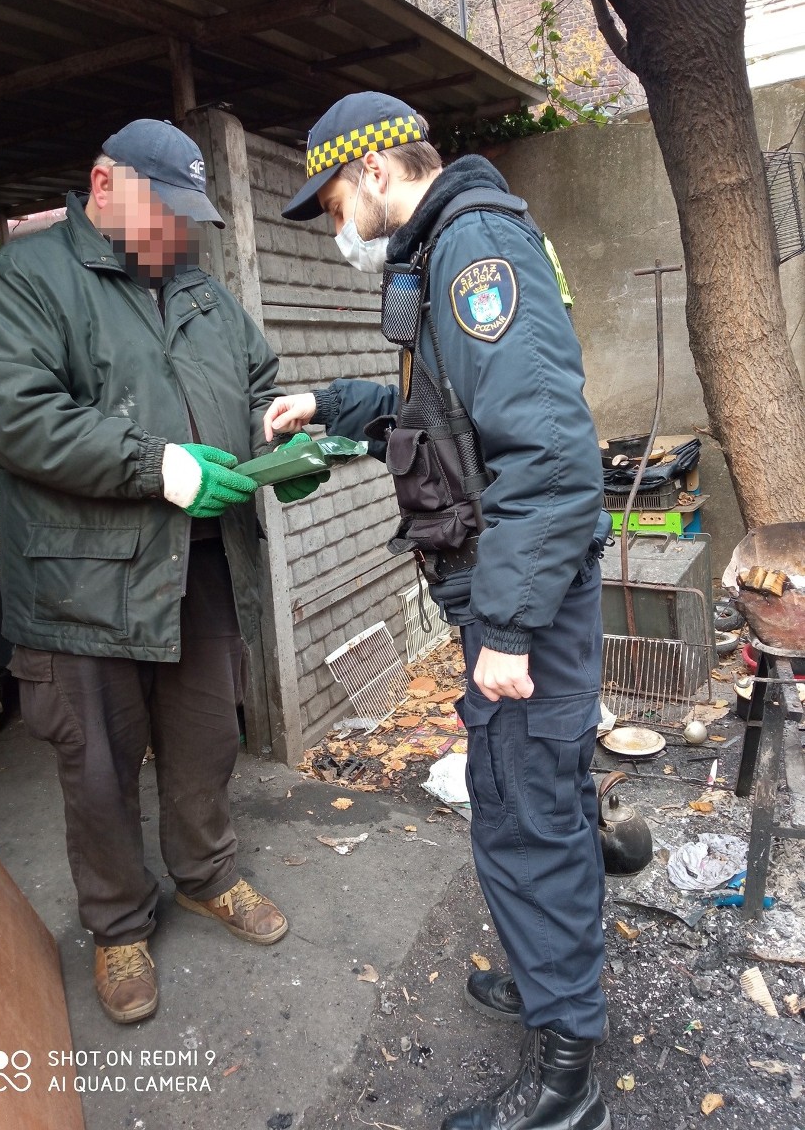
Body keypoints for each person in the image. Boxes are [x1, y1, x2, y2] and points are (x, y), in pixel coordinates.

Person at [266, 92, 612, 1130]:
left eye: (330, 201)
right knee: (538, 796)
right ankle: (553, 981)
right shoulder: (451, 246)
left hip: (526, 599)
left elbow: (548, 457)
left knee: (523, 812)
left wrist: (505, 629)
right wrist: (330, 401)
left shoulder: (474, 257)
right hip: (518, 584)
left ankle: (568, 1075)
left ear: (372, 172)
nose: (335, 228)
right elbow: (442, 420)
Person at [0, 119, 320, 1025]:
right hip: (82, 585)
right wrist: (158, 464)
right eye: (163, 214)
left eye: (187, 219)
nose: (176, 237)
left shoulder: (203, 295)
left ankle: (206, 875)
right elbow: (16, 416)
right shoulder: (20, 281)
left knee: (205, 740)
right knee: (100, 764)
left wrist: (281, 423)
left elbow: (258, 377)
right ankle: (119, 925)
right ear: (103, 186)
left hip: (198, 569)